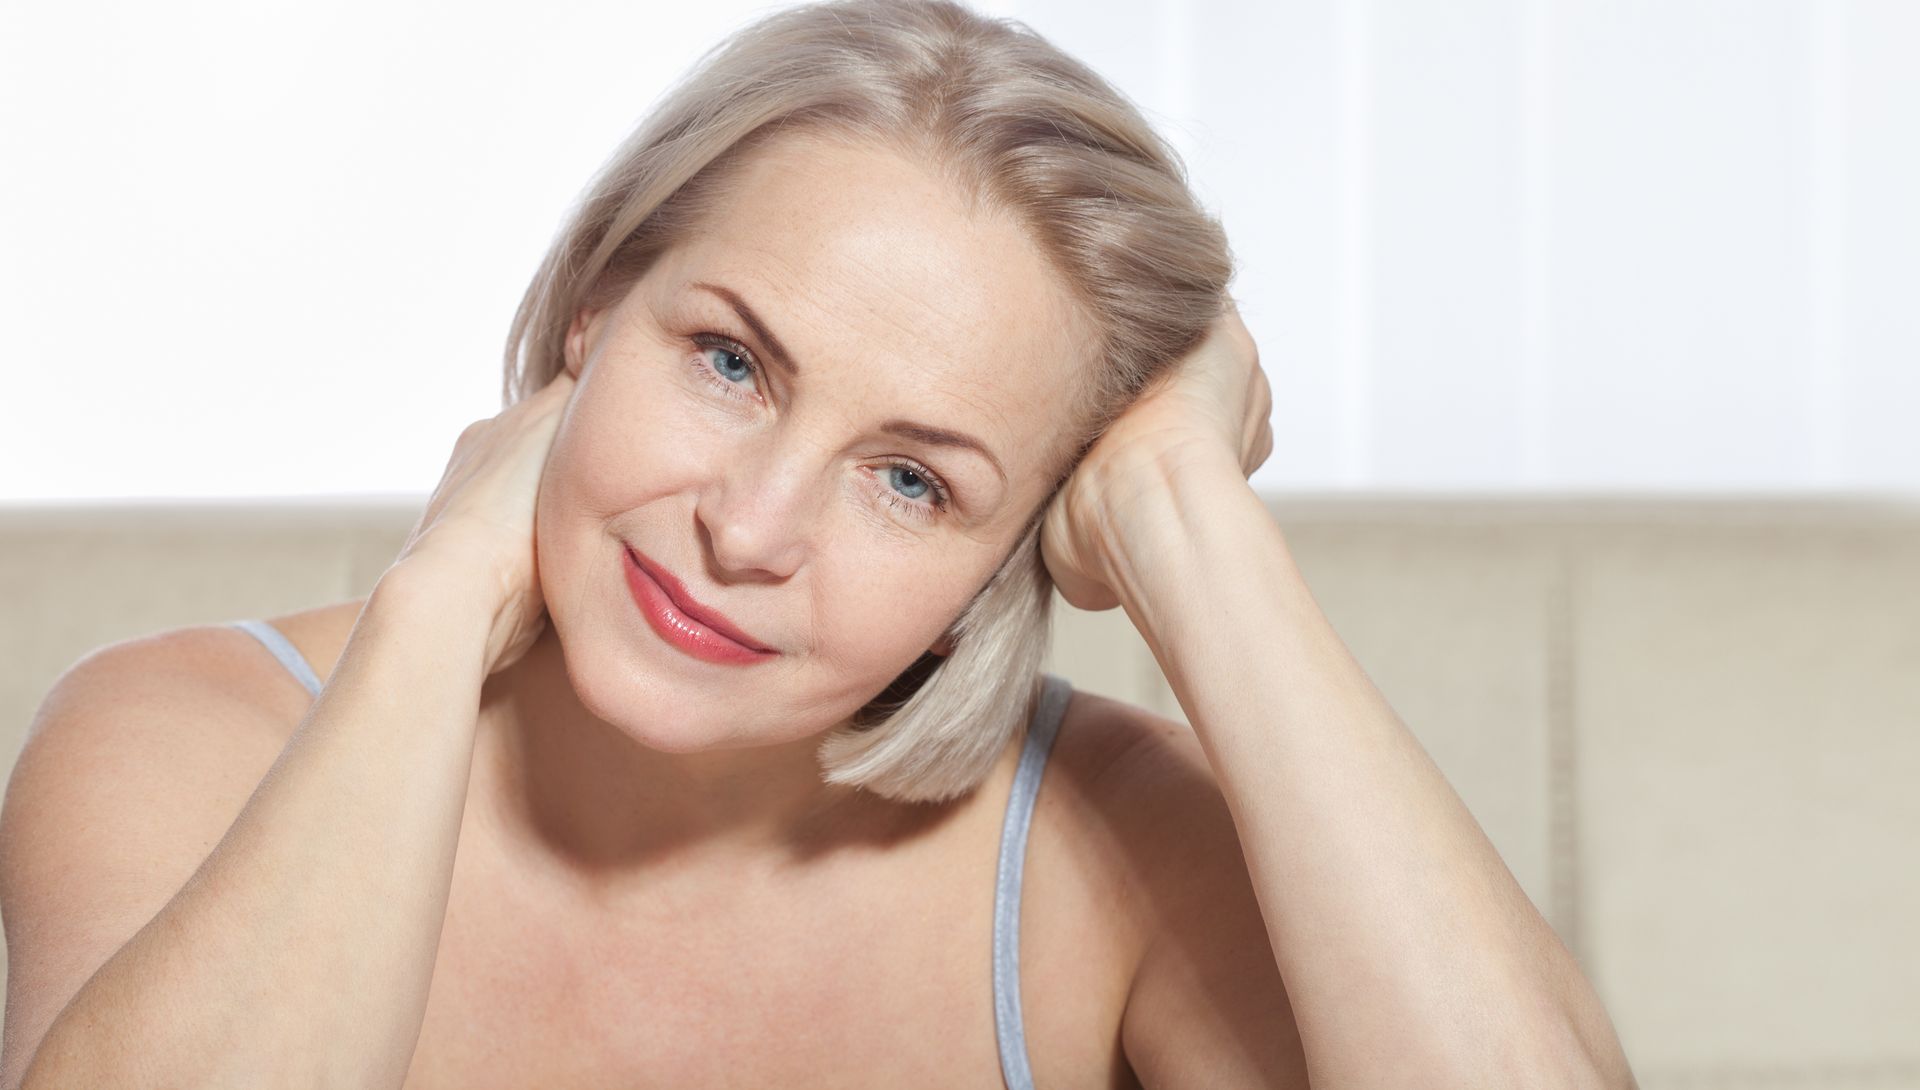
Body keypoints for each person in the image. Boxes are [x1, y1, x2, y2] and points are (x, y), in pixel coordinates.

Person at [0, 1, 1635, 1087]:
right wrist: (437, 608)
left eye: (913, 482)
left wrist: (1189, 518)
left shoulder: (1105, 850)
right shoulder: (181, 737)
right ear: (595, 309)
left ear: (1011, 551)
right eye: (728, 361)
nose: (748, 528)